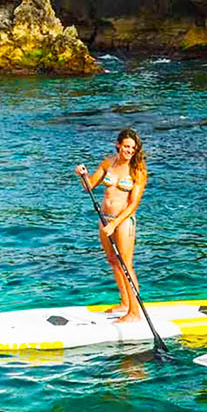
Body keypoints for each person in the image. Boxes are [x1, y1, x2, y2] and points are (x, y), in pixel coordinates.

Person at [75, 128, 148, 323]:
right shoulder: (108, 162)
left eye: (132, 148)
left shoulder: (138, 169)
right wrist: (83, 174)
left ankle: (134, 313)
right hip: (104, 218)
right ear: (118, 145)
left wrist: (115, 223)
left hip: (122, 221)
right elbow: (89, 185)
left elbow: (133, 204)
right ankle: (125, 302)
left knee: (126, 264)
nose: (129, 151)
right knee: (112, 260)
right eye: (126, 146)